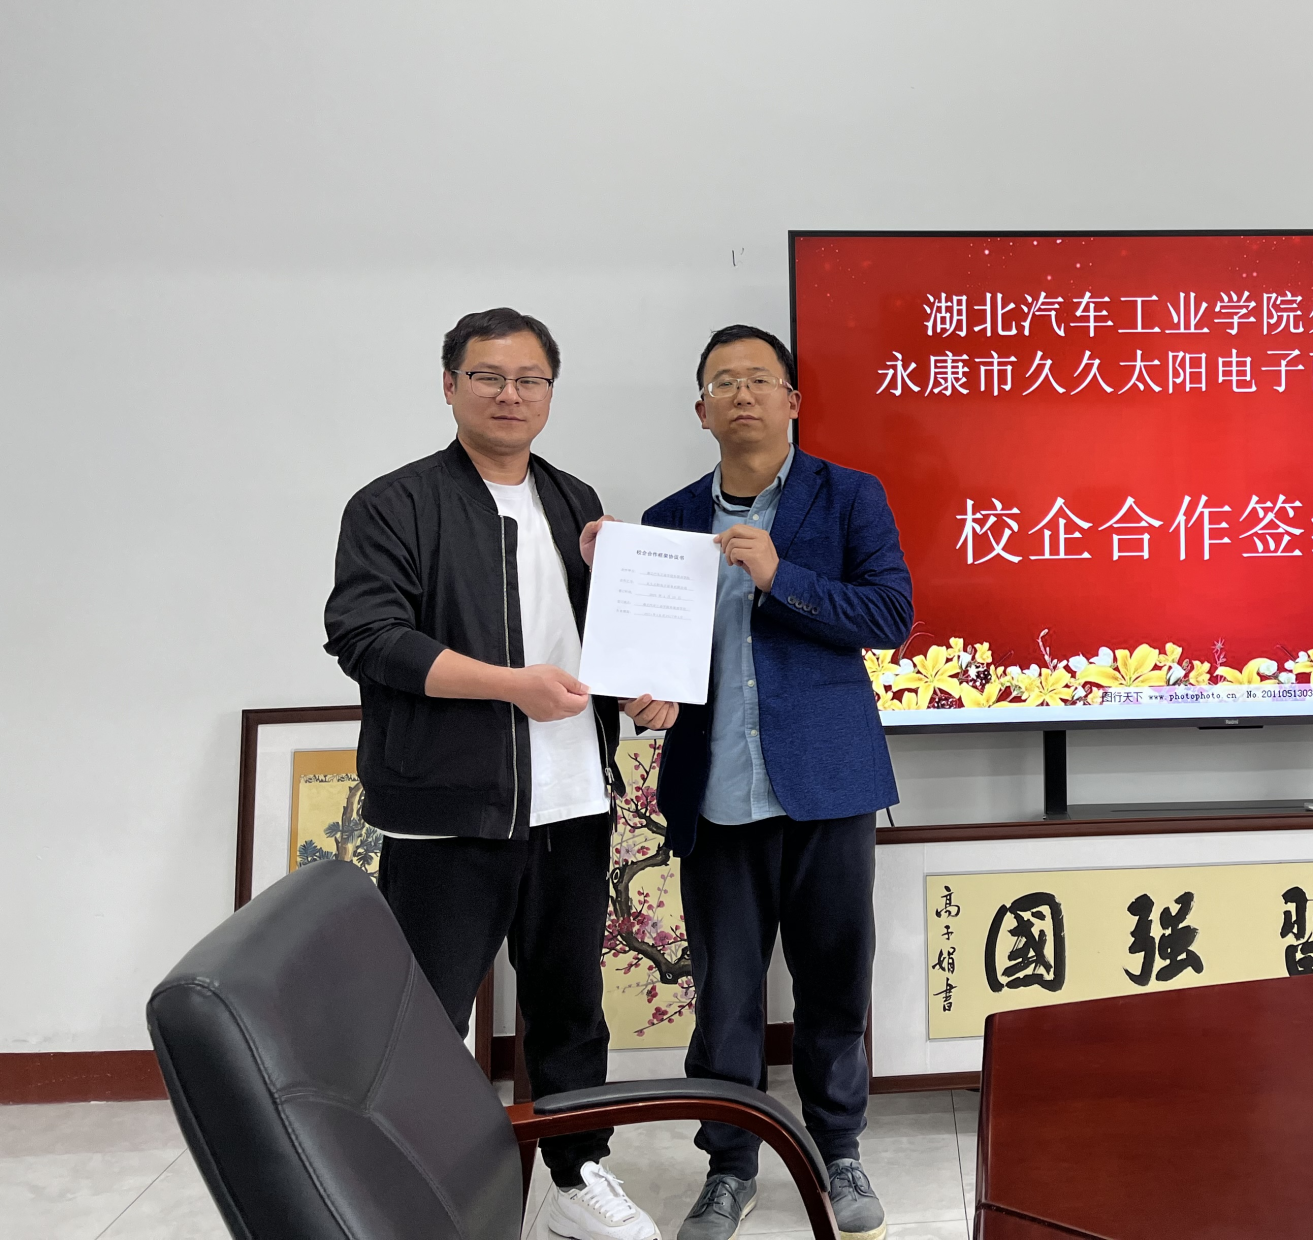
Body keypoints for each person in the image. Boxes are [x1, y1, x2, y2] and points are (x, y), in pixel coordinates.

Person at [325, 307, 661, 1240]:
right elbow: (366, 636)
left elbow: (601, 640)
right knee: (426, 1018)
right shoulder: (394, 504)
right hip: (451, 810)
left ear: (550, 391)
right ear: (450, 386)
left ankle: (575, 1178)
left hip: (574, 800)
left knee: (569, 1007)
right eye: (487, 376)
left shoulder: (574, 500)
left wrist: (646, 689)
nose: (510, 395)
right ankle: (411, 1194)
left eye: (530, 379)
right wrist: (510, 686)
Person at [597, 324, 912, 1240]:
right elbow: (645, 659)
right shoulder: (665, 522)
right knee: (726, 999)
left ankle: (838, 1149)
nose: (743, 394)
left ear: (792, 401)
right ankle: (729, 1167)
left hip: (829, 788)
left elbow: (890, 614)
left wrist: (782, 576)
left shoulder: (850, 496)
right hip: (715, 793)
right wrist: (643, 698)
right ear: (700, 410)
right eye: (723, 382)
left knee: (834, 982)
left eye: (760, 379)